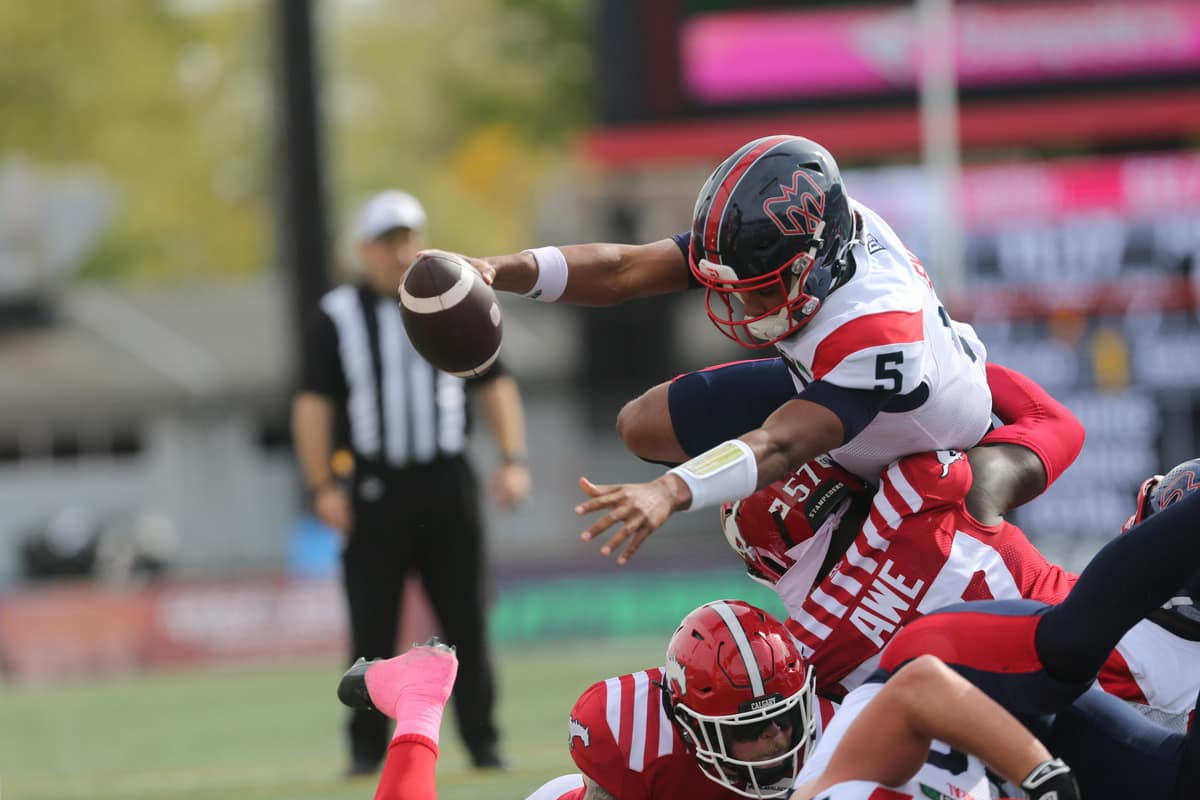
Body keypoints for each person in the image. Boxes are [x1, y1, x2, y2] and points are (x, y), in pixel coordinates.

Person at [439, 135, 992, 562]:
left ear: (815, 259)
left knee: (764, 519)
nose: (746, 306)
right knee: (644, 423)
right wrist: (496, 269)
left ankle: (847, 516)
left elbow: (777, 445)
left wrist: (670, 491)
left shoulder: (875, 325)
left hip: (917, 441)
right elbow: (624, 269)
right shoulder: (817, 234)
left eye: (761, 286)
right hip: (830, 391)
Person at [718, 363, 1200, 727]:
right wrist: (927, 361)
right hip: (1140, 687)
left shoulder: (805, 657)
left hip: (1021, 765)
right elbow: (1057, 426)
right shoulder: (924, 494)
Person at [292, 189, 532, 774]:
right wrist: (321, 485)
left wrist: (512, 458)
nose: (401, 253)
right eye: (387, 242)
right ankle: (365, 750)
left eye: (408, 238)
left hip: (447, 481)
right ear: (363, 250)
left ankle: (483, 742)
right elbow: (313, 405)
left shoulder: (449, 297)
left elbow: (494, 380)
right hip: (375, 488)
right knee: (370, 624)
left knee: (467, 619)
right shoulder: (337, 316)